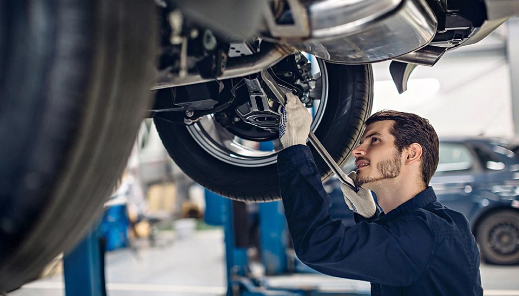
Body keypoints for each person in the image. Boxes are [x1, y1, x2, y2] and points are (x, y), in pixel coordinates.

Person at [277, 93, 483, 295]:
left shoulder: (424, 233)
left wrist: (295, 148)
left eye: (374, 140)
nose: (356, 151)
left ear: (411, 154)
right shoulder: (443, 224)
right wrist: (371, 217)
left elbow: (318, 245)